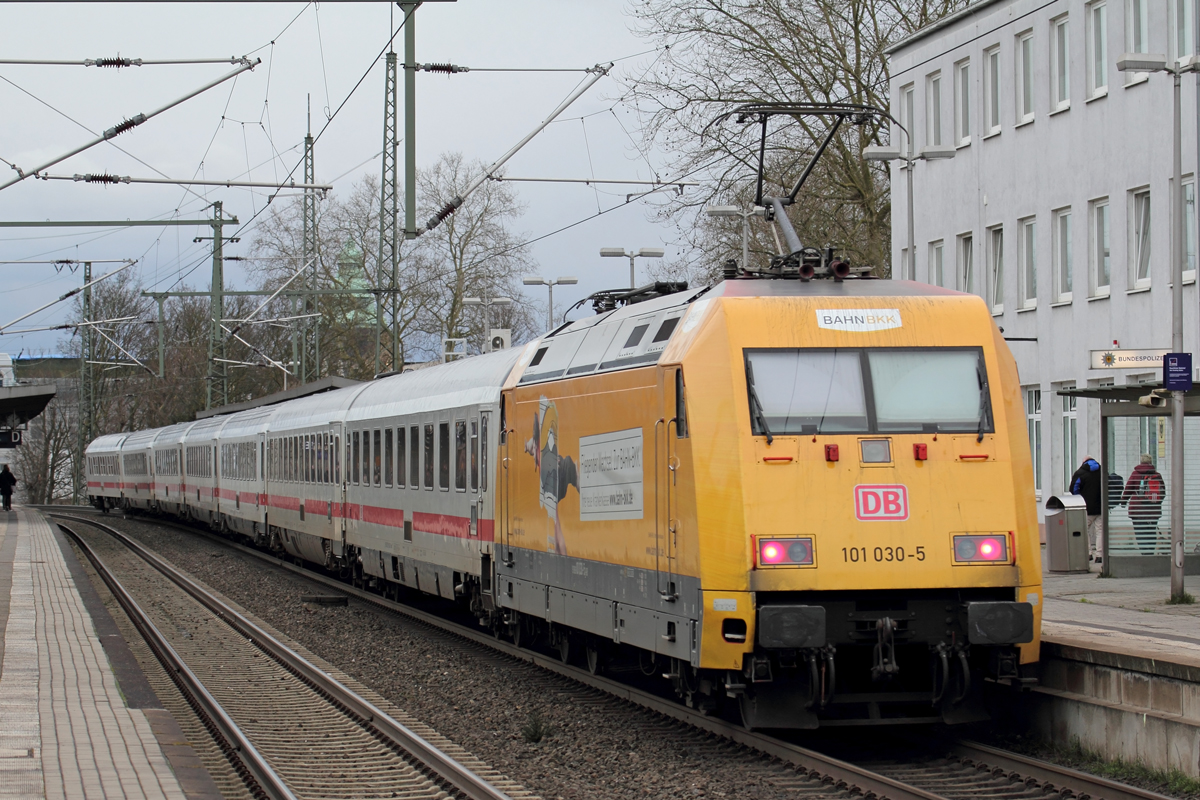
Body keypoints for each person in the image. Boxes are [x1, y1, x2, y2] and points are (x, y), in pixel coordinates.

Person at [1122, 455, 1165, 555]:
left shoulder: (1135, 474)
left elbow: (1128, 489)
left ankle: (1144, 554)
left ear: (1141, 462)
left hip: (1138, 511)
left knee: (1140, 533)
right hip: (1153, 512)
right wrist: (1155, 503)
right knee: (1151, 533)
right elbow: (1163, 493)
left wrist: (1123, 501)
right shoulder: (1157, 475)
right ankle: (1150, 553)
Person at [1070, 456, 1103, 563]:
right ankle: (1100, 555)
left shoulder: (1080, 473)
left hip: (1086, 507)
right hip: (1101, 507)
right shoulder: (1102, 471)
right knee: (1100, 531)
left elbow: (1073, 488)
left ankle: (1088, 553)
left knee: (1085, 530)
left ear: (1084, 462)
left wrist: (1080, 499)